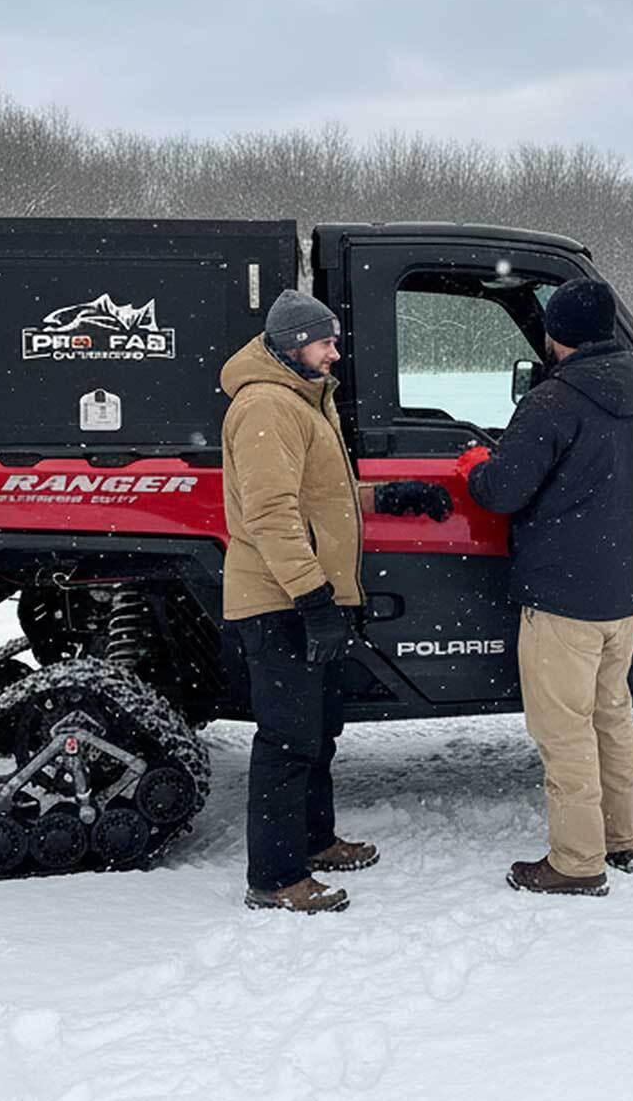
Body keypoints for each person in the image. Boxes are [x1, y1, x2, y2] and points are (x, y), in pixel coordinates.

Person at [220, 289, 451, 913]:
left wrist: (388, 497)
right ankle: (274, 878)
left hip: (305, 598)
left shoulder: (300, 401)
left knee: (319, 732)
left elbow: (323, 496)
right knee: (287, 739)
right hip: (280, 602)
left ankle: (314, 842)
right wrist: (313, 600)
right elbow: (271, 514)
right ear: (295, 345)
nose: (335, 352)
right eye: (327, 342)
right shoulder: (267, 407)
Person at [461, 279, 633, 897]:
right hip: (623, 589)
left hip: (564, 595)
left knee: (564, 729)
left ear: (557, 337)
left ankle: (577, 862)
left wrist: (476, 467)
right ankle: (621, 838)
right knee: (610, 715)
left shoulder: (554, 401)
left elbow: (502, 490)